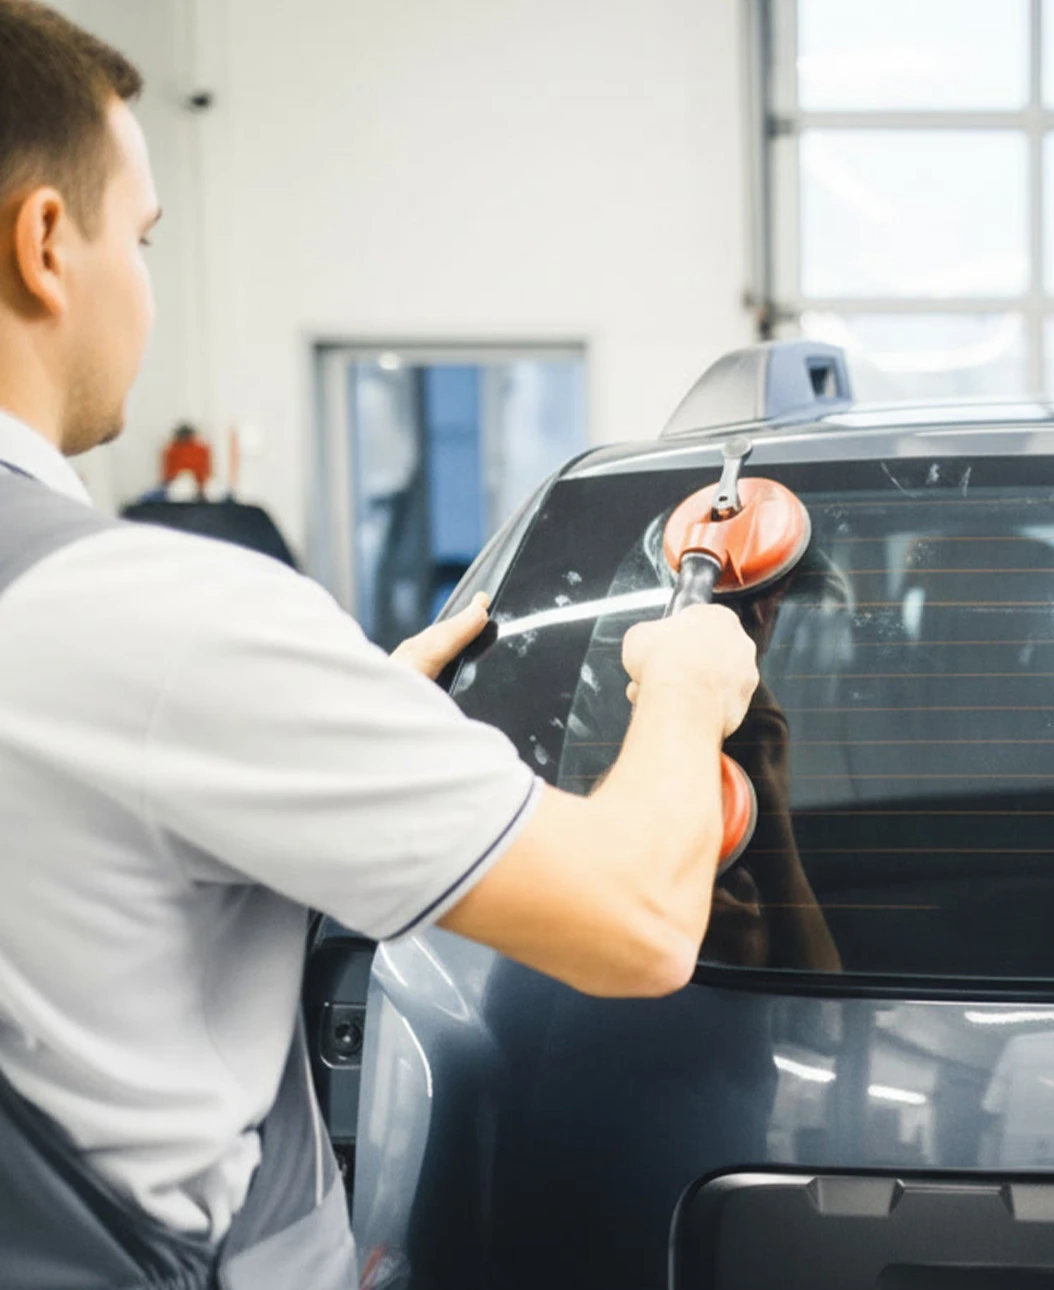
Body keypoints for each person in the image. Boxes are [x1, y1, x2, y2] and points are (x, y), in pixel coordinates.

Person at [0, 3, 760, 1284]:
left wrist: (321, 722)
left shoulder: (145, 651)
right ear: (43, 245)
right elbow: (635, 918)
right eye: (138, 238)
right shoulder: (158, 622)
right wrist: (687, 687)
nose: (143, 282)